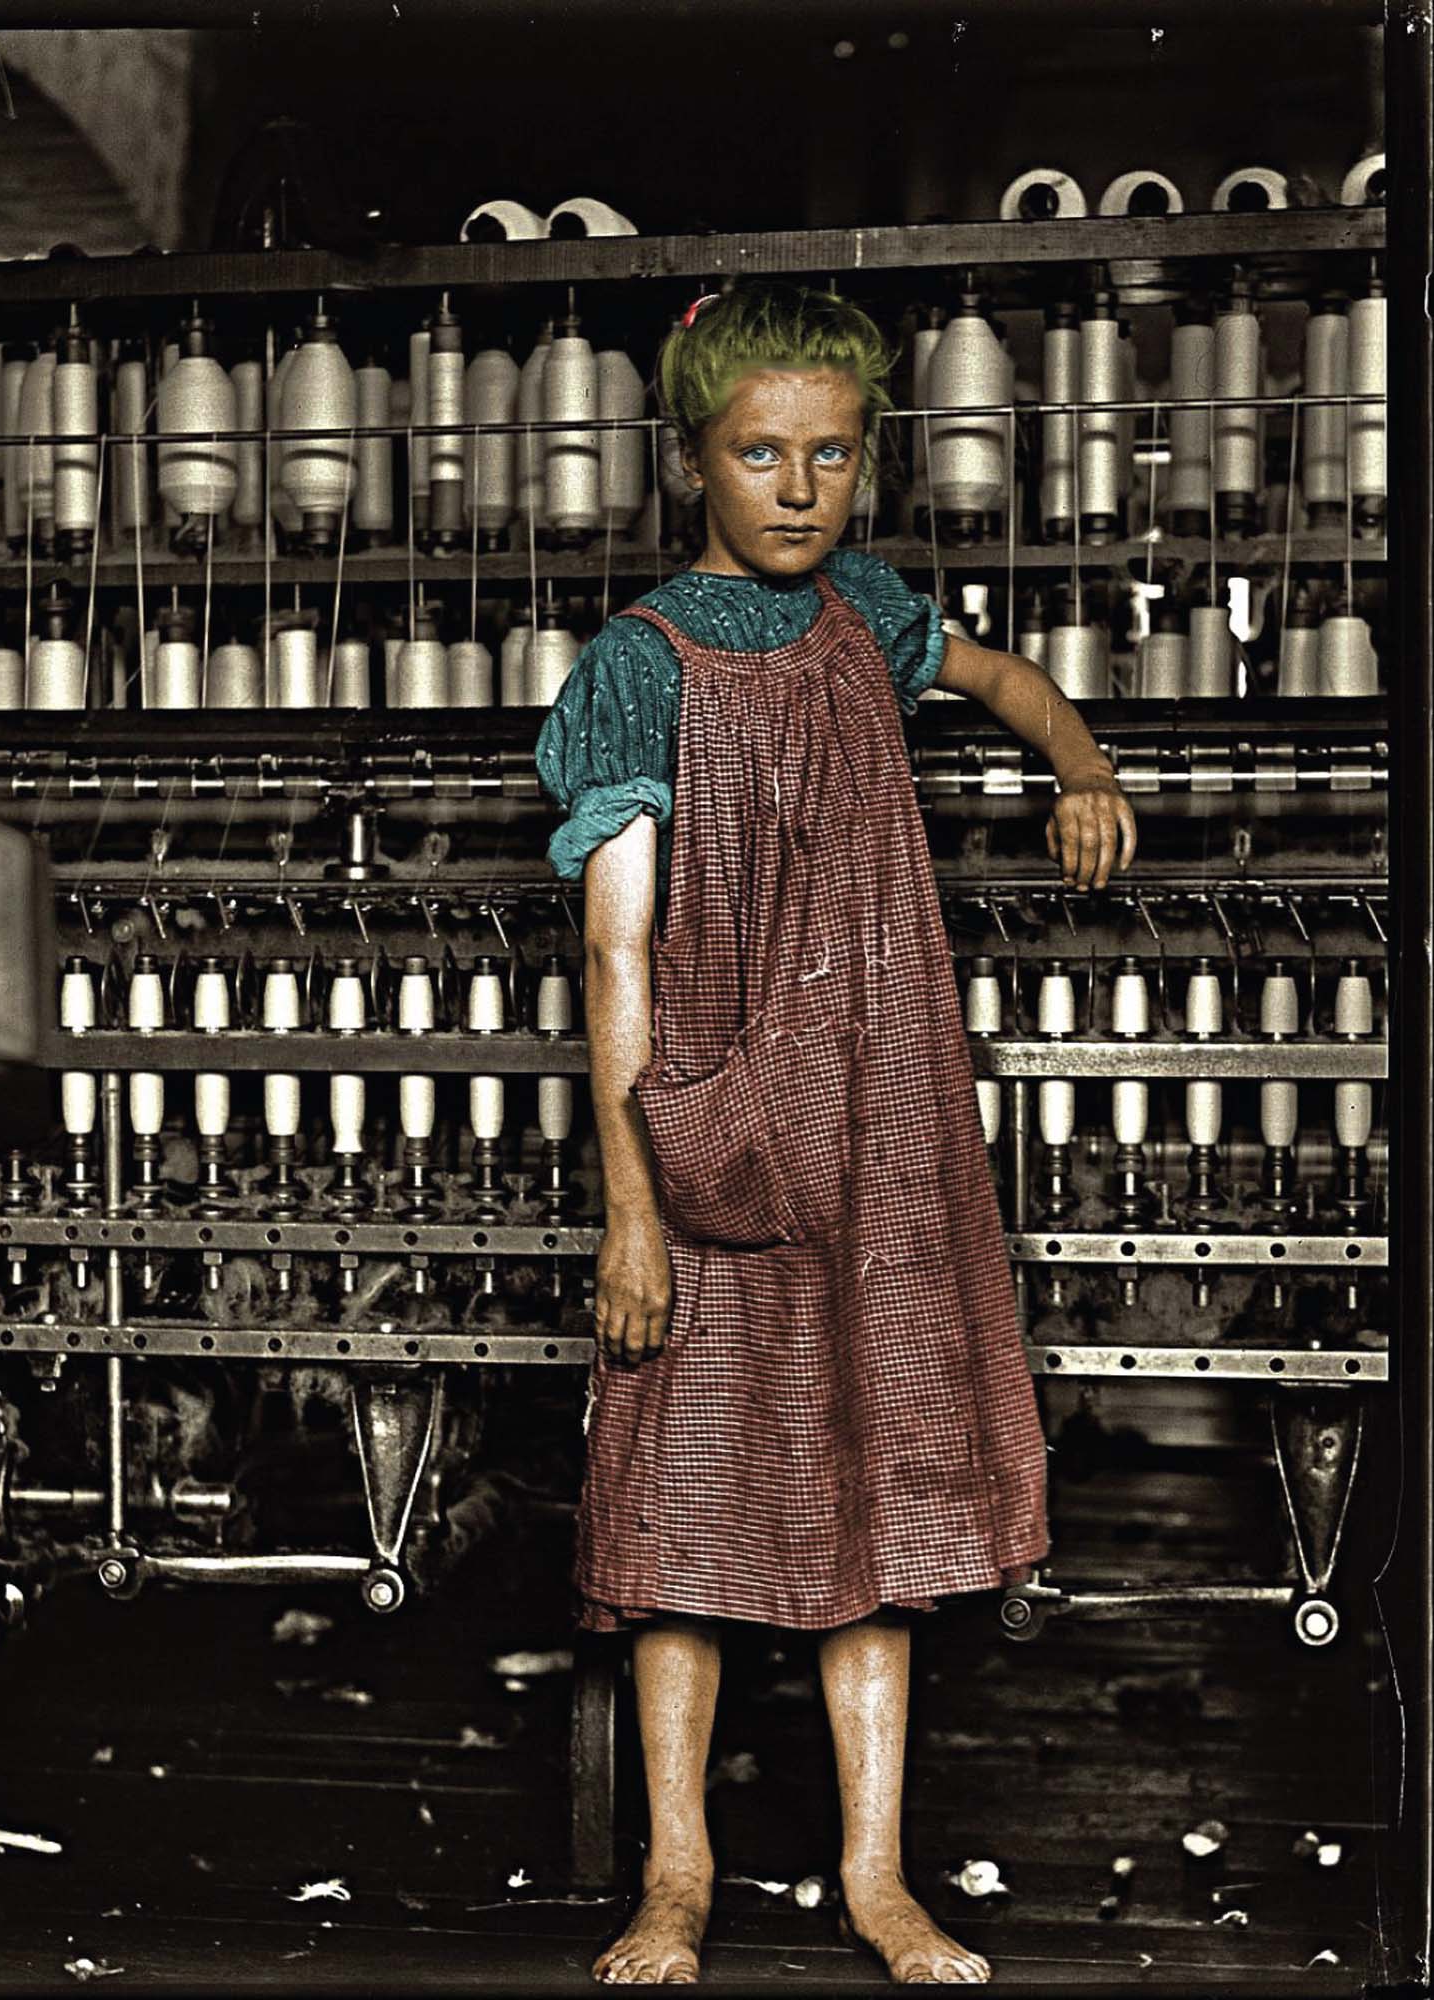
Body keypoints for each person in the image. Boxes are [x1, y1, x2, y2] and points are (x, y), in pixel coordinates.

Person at [533, 282, 1138, 1986]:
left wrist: (1084, 765)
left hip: (880, 1128)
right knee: (686, 1507)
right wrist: (632, 1212)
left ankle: (876, 1878)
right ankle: (676, 1878)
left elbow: (1011, 678)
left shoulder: (868, 610)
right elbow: (618, 957)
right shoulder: (636, 668)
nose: (799, 487)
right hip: (715, 1129)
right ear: (688, 463)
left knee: (879, 1489)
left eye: (832, 453)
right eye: (759, 454)